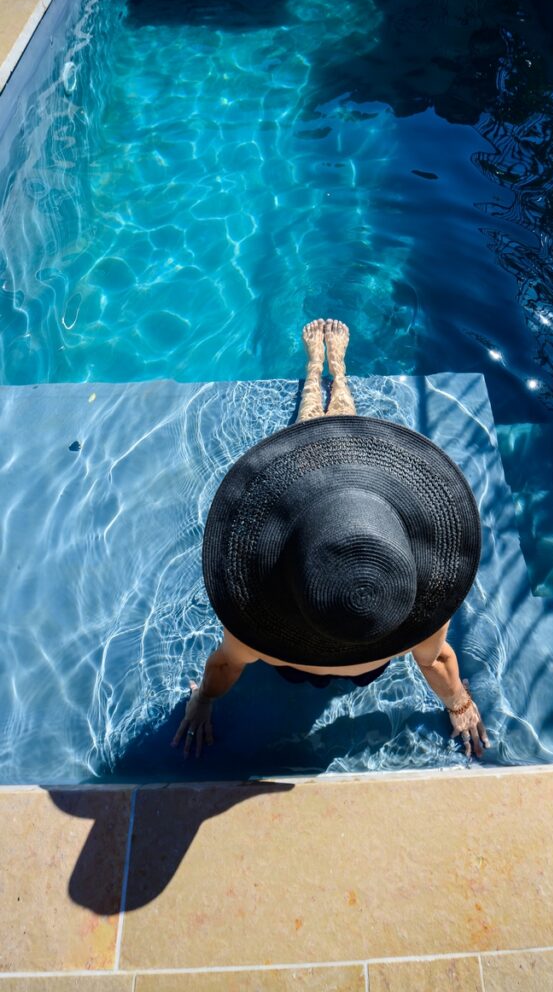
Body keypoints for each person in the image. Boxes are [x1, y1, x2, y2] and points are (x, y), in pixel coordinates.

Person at [172, 318, 489, 761]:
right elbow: (436, 662)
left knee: (310, 455)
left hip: (293, 658)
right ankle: (336, 372)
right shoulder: (413, 603)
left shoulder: (256, 628)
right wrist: (460, 704)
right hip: (373, 653)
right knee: (343, 455)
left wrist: (202, 700)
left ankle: (318, 370)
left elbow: (224, 665)